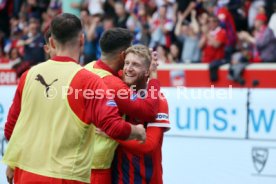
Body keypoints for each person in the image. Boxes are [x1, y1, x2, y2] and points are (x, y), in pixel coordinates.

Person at [3, 13, 146, 184]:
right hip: (66, 176)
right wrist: (138, 131)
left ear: (52, 42)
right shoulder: (89, 81)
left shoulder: (28, 76)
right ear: (82, 40)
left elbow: (10, 130)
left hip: (25, 174)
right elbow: (112, 126)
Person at [84, 28, 160, 184]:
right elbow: (149, 110)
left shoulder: (88, 68)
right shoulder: (113, 84)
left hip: (81, 163)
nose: (128, 68)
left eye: (135, 64)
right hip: (98, 168)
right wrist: (153, 76)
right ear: (123, 55)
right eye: (128, 61)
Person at [111, 44, 170, 184]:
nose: (128, 68)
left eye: (135, 64)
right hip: (117, 178)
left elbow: (149, 145)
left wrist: (111, 132)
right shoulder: (120, 91)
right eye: (126, 63)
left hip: (145, 180)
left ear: (146, 72)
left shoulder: (159, 101)